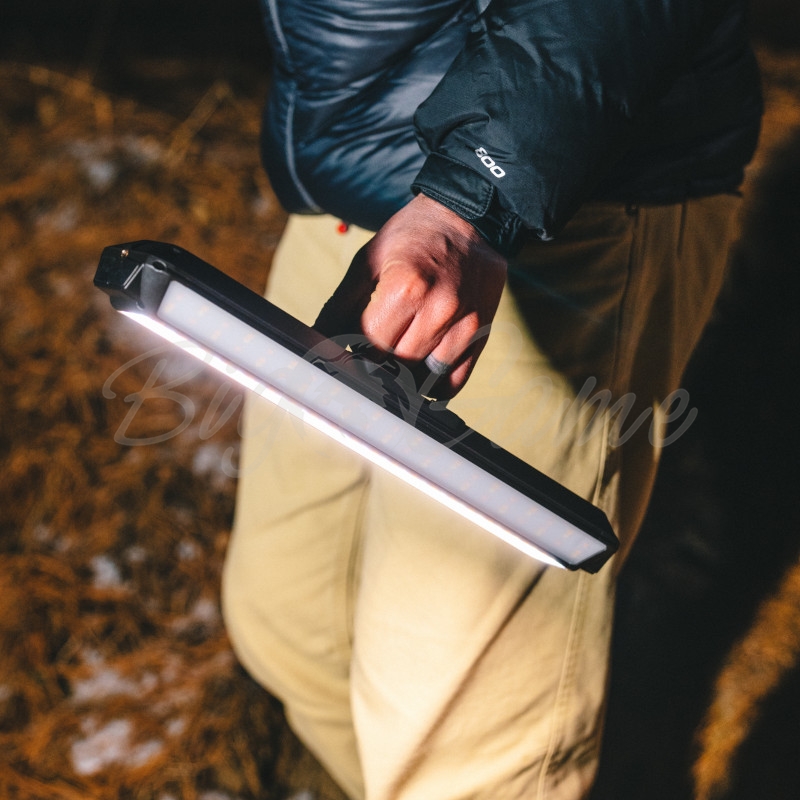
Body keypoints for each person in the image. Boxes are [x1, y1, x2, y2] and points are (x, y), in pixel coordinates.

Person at [222, 1, 762, 798]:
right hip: (364, 187)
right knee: (292, 627)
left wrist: (470, 199)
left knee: (466, 745)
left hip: (551, 197)